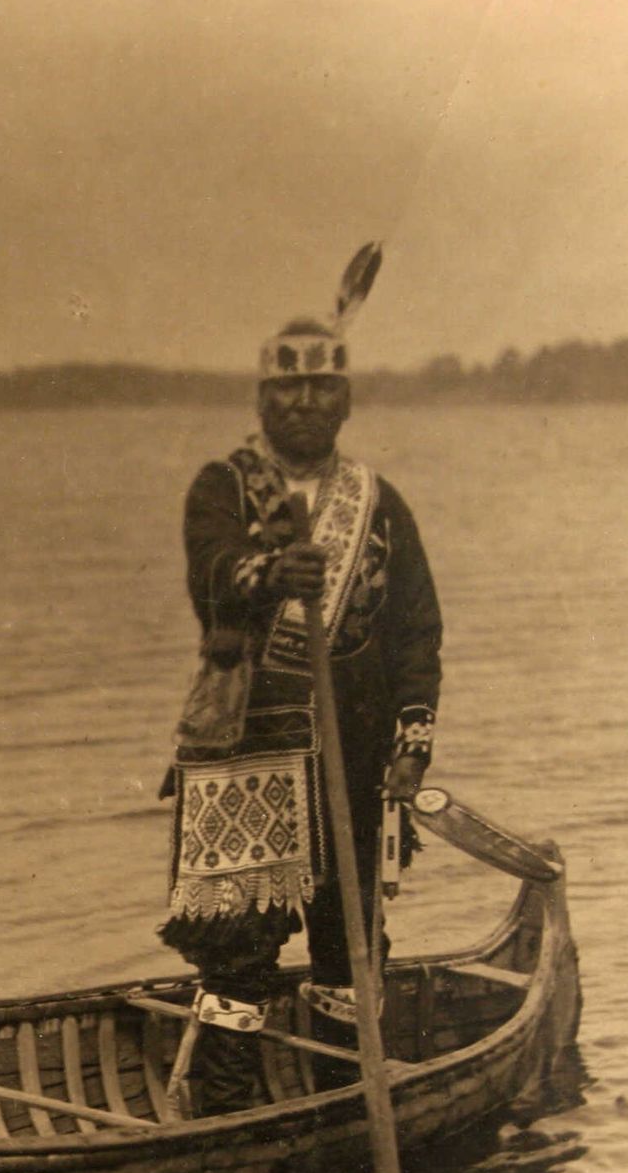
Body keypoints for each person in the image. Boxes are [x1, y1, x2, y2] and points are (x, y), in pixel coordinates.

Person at [156, 309, 442, 1101]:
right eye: (289, 389)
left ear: (346, 401)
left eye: (323, 388)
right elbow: (211, 571)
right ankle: (225, 1111)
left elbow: (417, 628)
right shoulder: (223, 487)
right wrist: (270, 573)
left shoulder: (379, 504)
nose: (306, 403)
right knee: (236, 947)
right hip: (248, 744)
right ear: (262, 400)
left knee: (351, 945)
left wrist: (413, 739)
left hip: (356, 745)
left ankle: (341, 1099)